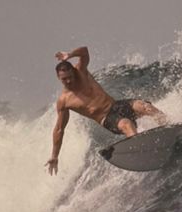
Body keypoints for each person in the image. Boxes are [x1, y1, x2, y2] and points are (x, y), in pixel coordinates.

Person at [46, 45, 165, 175]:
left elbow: (84, 51)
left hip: (116, 105)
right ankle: (141, 152)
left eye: (70, 76)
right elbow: (59, 129)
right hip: (107, 118)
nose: (68, 81)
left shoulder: (81, 72)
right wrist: (54, 156)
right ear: (58, 77)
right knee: (126, 124)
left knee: (144, 106)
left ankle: (168, 124)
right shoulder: (64, 101)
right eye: (64, 79)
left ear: (73, 72)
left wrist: (70, 54)